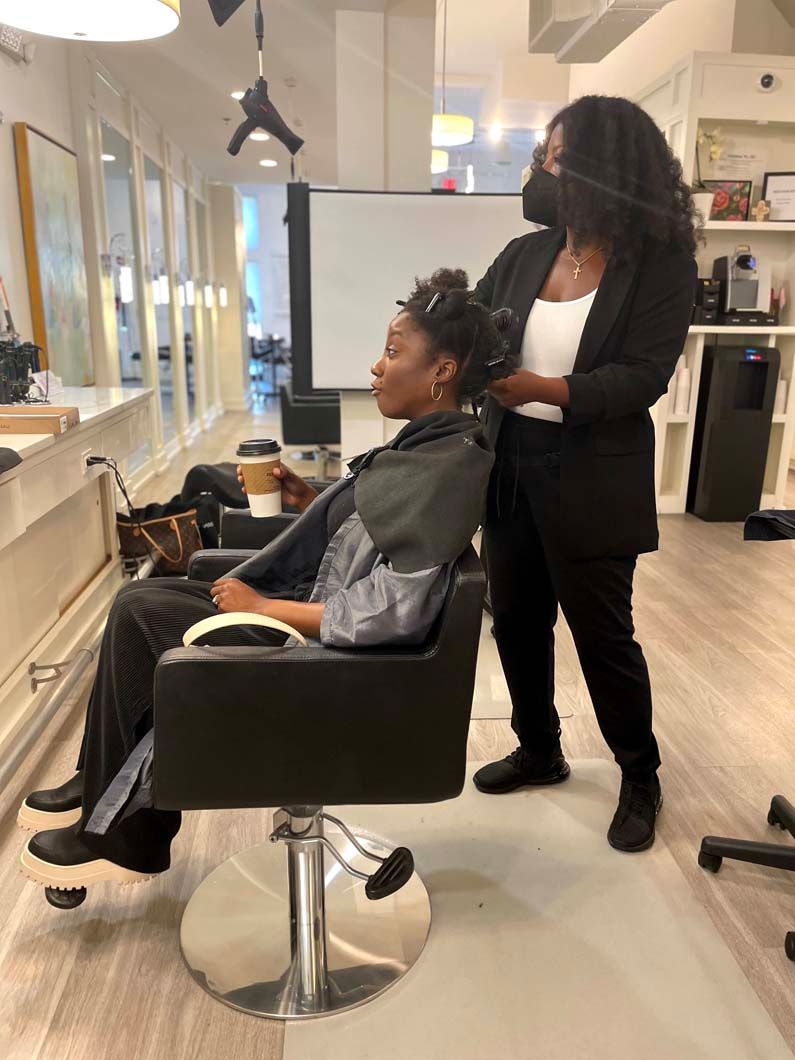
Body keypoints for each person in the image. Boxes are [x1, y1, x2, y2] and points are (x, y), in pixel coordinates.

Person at [19, 268, 515, 894]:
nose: (375, 367)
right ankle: (103, 781)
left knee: (141, 614)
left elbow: (398, 609)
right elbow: (374, 533)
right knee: (135, 600)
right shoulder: (427, 446)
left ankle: (120, 832)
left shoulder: (449, 466)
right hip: (307, 614)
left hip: (329, 656)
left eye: (393, 353)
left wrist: (270, 608)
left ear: (441, 371)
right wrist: (313, 501)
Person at [472, 95, 699, 853]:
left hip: (593, 473)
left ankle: (640, 776)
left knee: (602, 635)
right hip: (509, 467)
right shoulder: (522, 255)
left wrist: (541, 391)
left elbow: (640, 378)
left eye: (555, 155)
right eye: (542, 153)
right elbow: (471, 328)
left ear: (600, 166)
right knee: (516, 621)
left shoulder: (657, 265)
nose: (540, 167)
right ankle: (539, 749)